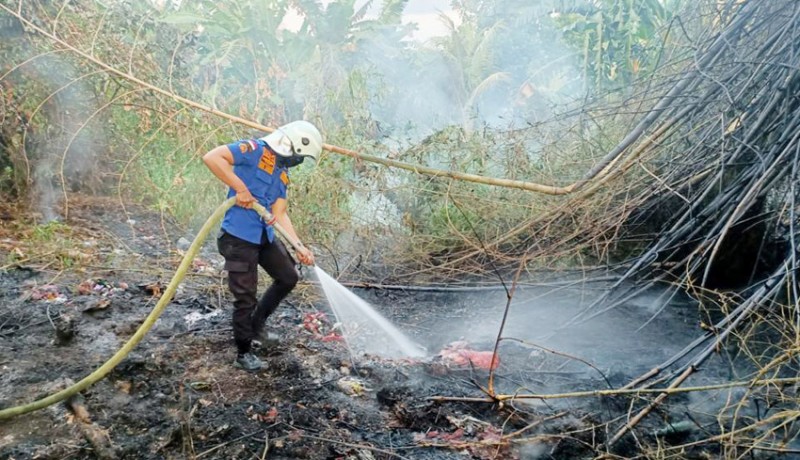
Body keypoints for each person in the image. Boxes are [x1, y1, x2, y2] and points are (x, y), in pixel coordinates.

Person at [203, 120, 322, 371]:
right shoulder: (253, 149)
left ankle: (257, 326)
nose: (296, 162)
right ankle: (243, 352)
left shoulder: (282, 174)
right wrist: (240, 188)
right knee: (245, 297)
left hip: (264, 236)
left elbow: (280, 213)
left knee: (288, 276)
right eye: (298, 156)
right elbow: (212, 157)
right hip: (238, 238)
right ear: (289, 144)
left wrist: (298, 246)